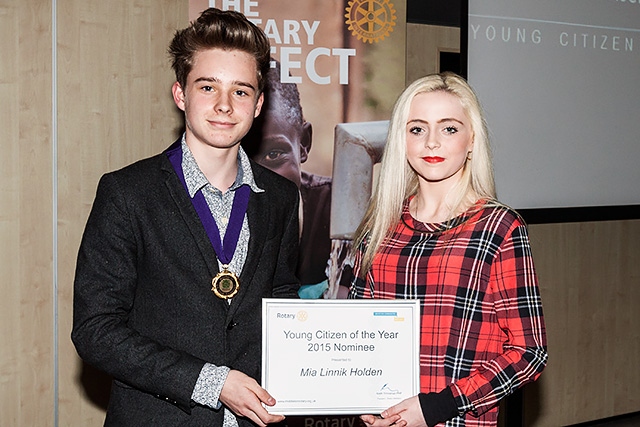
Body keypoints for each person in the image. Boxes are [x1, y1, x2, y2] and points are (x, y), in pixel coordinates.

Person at [71, 8, 300, 427]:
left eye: (241, 91)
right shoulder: (127, 193)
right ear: (181, 94)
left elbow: (281, 298)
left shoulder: (282, 197)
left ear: (259, 103)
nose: (225, 106)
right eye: (208, 87)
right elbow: (96, 330)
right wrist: (211, 383)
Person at [348, 72, 547, 427]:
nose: (431, 143)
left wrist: (437, 406)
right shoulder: (380, 229)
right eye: (417, 129)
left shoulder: (498, 228)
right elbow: (356, 334)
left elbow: (529, 353)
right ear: (401, 141)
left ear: (472, 140)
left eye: (449, 128)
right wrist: (360, 397)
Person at [243, 61, 351, 299]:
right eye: (242, 159)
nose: (258, 178)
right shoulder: (208, 213)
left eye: (273, 155)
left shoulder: (340, 210)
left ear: (303, 143)